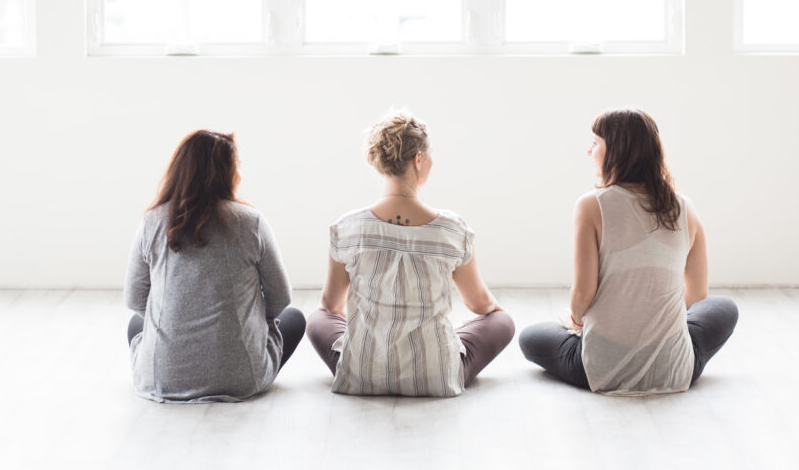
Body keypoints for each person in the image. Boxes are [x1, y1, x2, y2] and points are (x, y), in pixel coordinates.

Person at [519, 108, 739, 395]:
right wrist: (656, 323)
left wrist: (574, 321)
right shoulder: (685, 208)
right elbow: (697, 295)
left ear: (617, 151)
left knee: (529, 337)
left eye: (595, 143)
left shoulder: (590, 206)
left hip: (601, 369)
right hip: (674, 368)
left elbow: (583, 295)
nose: (589, 151)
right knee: (724, 308)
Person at [307, 111, 514, 397]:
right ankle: (437, 356)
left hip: (362, 373)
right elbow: (481, 305)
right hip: (436, 376)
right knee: (502, 322)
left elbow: (330, 304)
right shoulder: (452, 229)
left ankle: (362, 360)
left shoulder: (346, 228)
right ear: (418, 159)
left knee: (318, 318)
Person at [124, 130, 305, 403]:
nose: (240, 175)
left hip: (160, 379)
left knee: (136, 324)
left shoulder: (152, 221)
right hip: (241, 379)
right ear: (224, 173)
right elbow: (281, 298)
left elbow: (136, 299)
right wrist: (254, 321)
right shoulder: (250, 221)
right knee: (295, 318)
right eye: (237, 167)